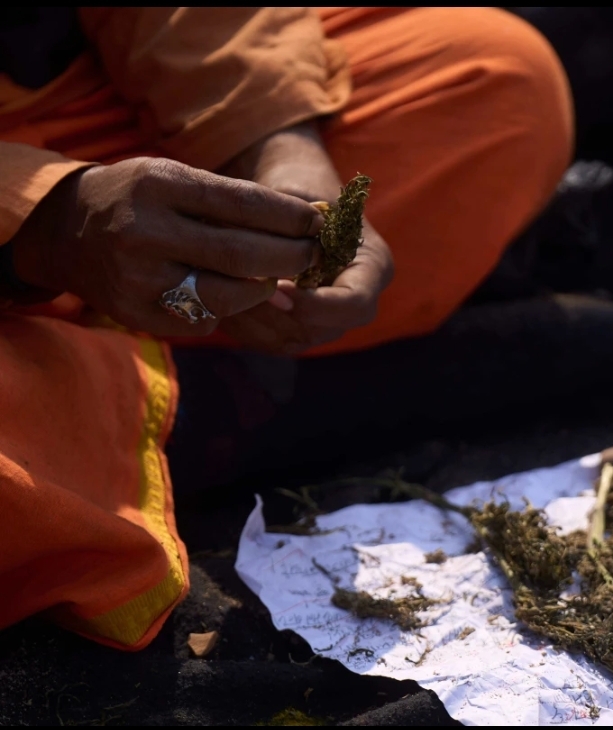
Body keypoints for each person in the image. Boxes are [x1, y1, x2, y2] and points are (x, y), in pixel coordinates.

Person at [0, 8, 573, 650]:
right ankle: (208, 404)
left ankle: (132, 394)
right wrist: (48, 220)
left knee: (498, 82)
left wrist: (283, 151)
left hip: (93, 112)